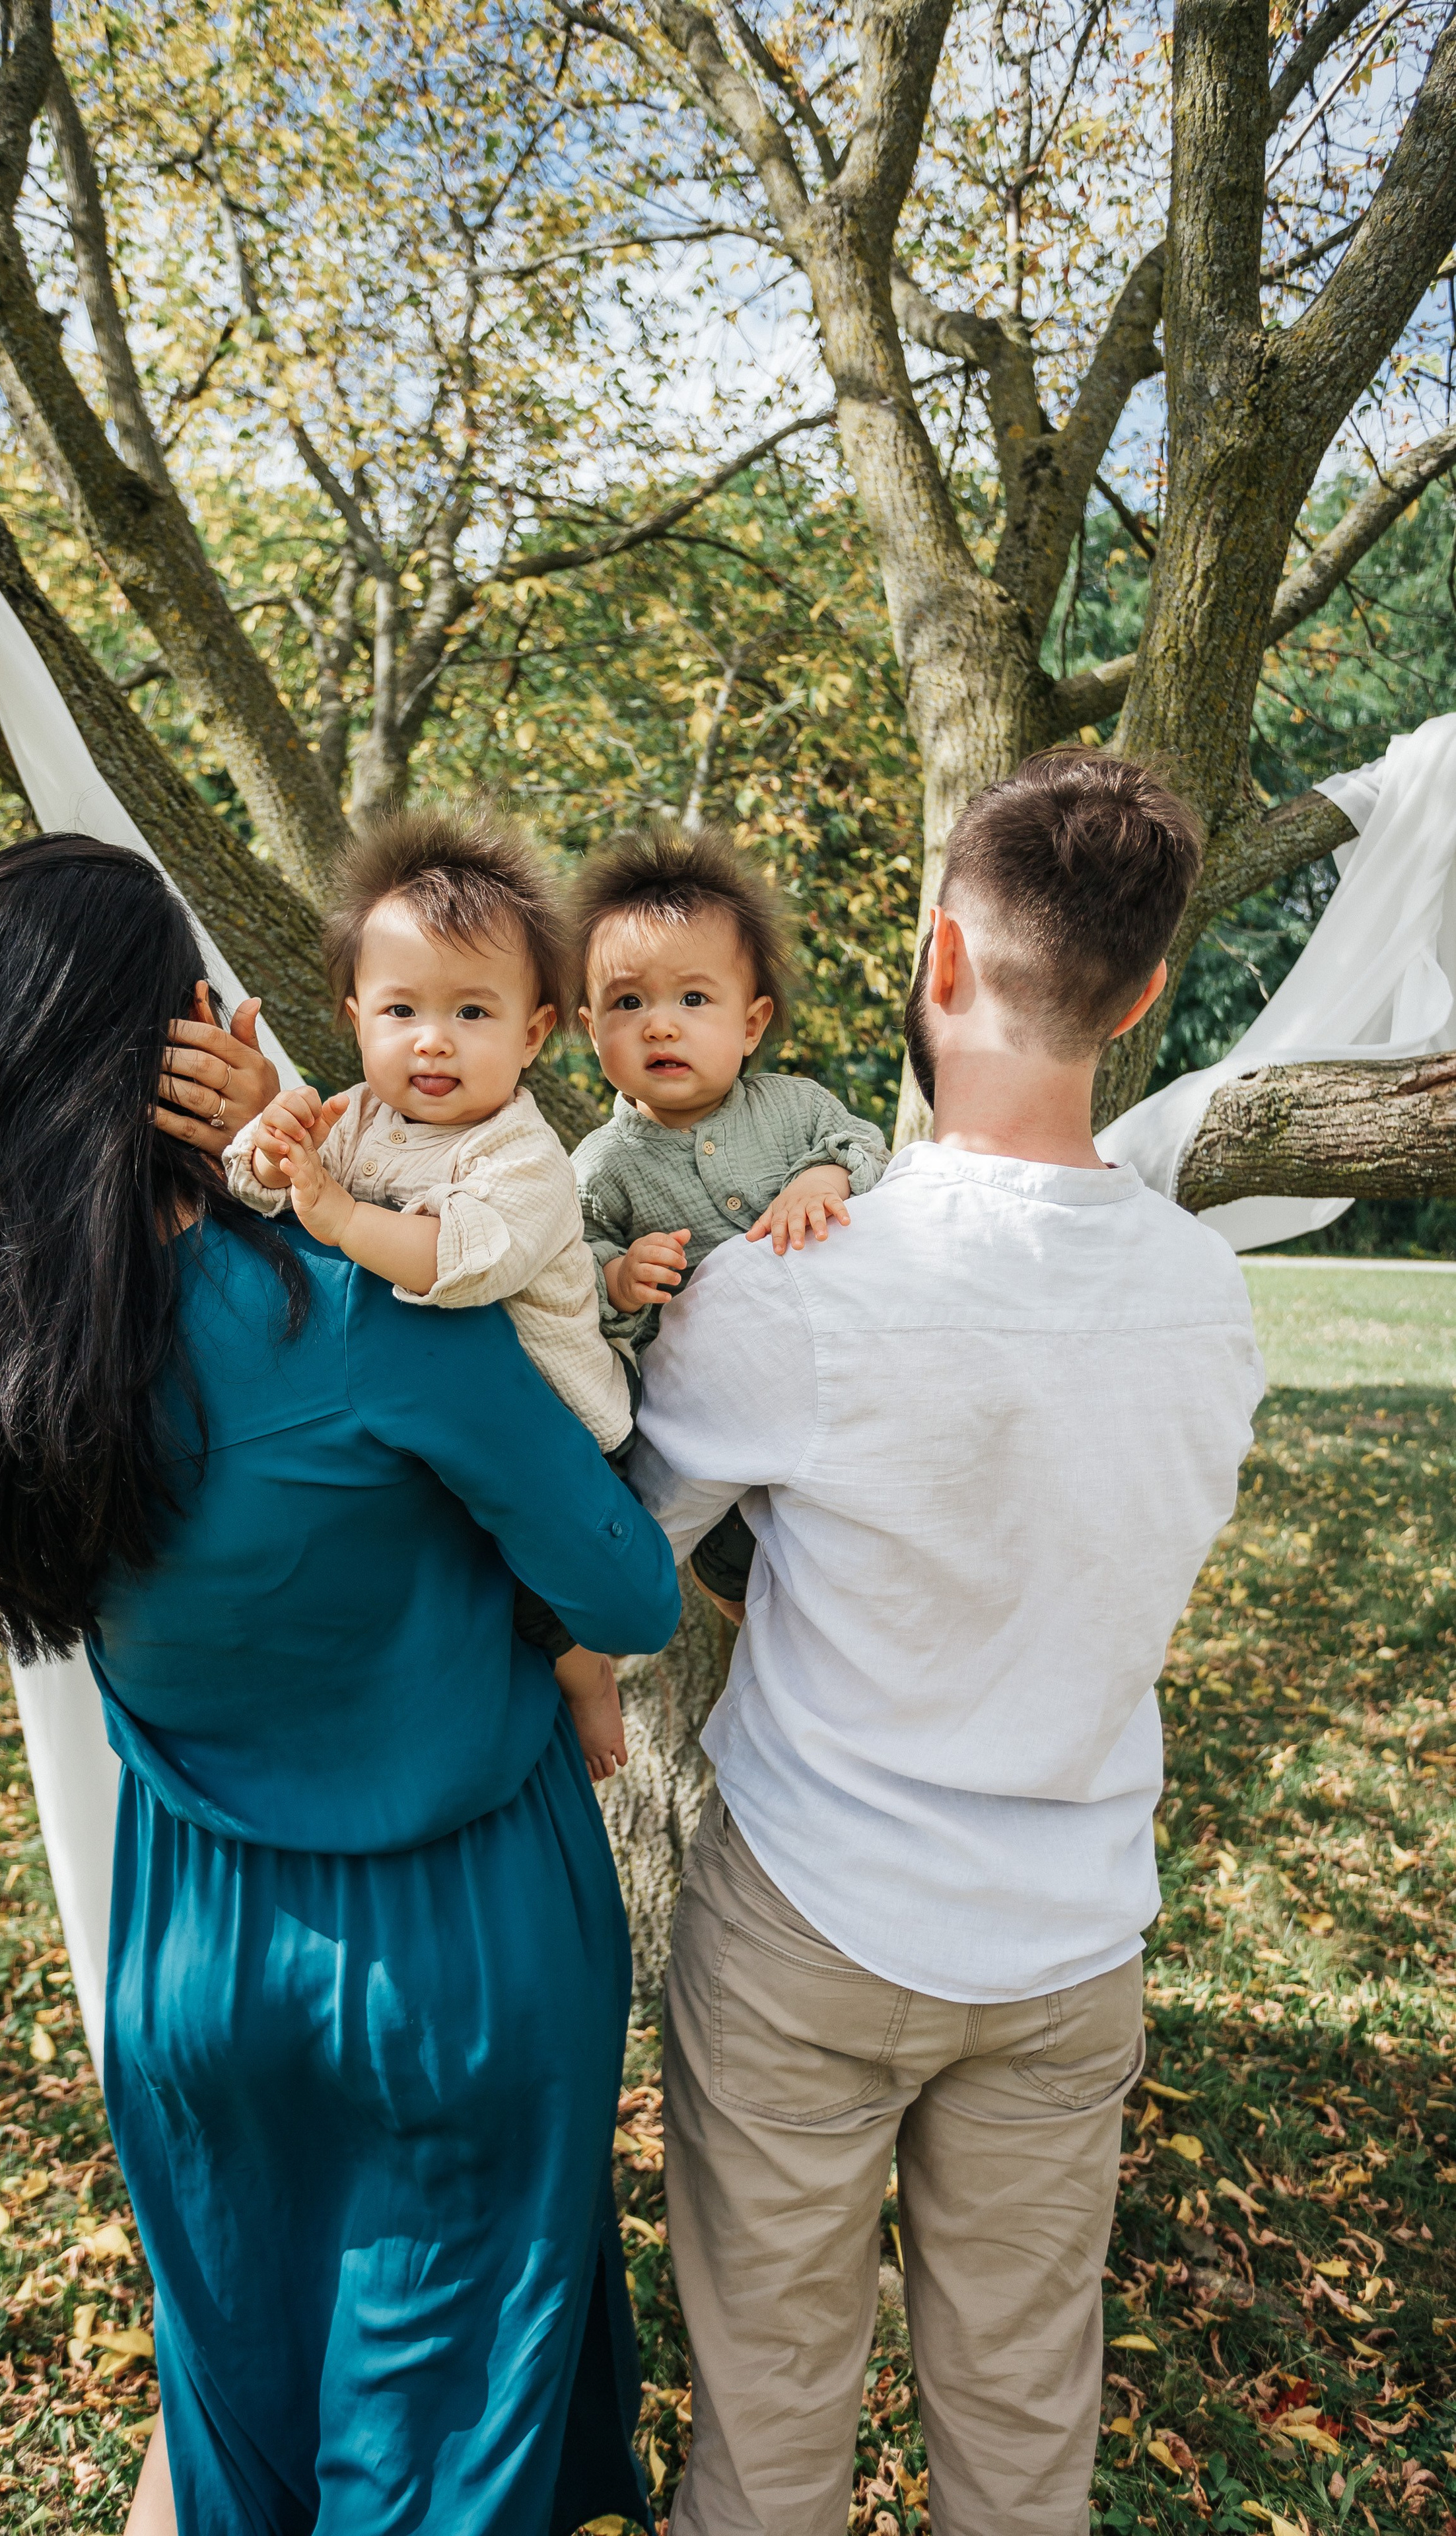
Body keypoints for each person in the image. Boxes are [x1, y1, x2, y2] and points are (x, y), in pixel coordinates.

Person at [0, 831, 681, 2536]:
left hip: (191, 1957)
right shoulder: (362, 1318)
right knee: (432, 2467)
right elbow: (623, 1587)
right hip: (453, 1954)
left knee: (240, 2417)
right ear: (185, 1034)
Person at [630, 753, 1266, 2536]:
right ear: (1140, 998)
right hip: (1070, 1943)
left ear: (936, 962)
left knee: (768, 2445)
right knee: (1022, 2444)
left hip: (815, 1926)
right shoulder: (1212, 1301)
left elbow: (616, 1562)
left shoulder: (797, 1283)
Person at [225, 806, 637, 1780]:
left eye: (473, 1013)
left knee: (547, 1599)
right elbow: (253, 1186)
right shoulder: (356, 1118)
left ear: (534, 1033)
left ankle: (593, 1685)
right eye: (402, 1011)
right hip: (445, 1424)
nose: (433, 1043)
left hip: (559, 1434)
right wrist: (272, 1138)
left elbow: (465, 1263)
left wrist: (337, 1219)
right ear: (355, 1019)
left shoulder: (522, 1156)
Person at [570, 824, 888, 1602]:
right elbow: (564, 1270)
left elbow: (869, 1150)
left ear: (750, 1024)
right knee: (742, 1566)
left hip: (835, 1378)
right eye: (628, 1003)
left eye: (692, 998)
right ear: (590, 1032)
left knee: (853, 1541)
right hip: (698, 1424)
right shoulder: (601, 1166)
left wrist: (825, 1174)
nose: (660, 1023)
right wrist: (615, 1277)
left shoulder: (793, 1107)